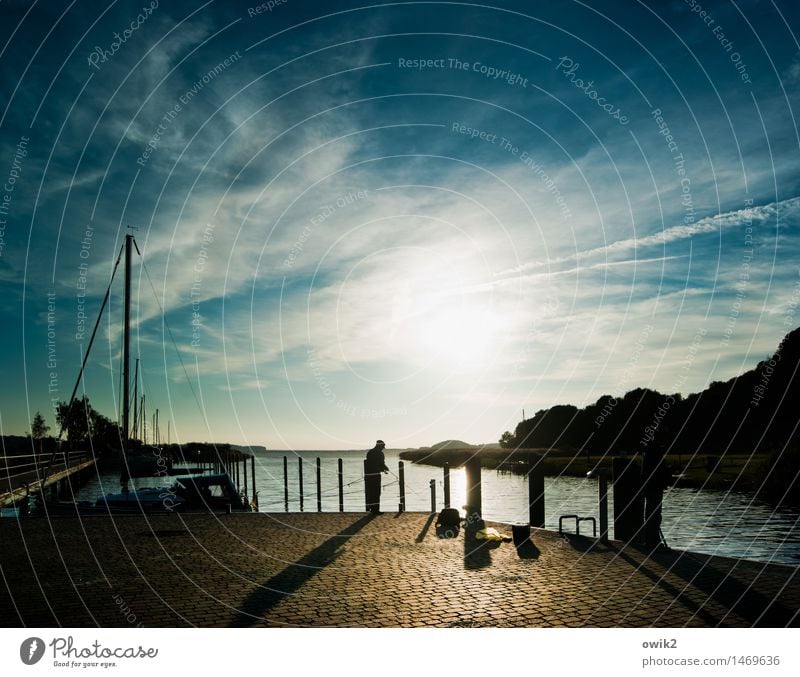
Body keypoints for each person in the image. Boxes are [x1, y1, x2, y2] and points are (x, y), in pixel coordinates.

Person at [364, 440, 389, 514]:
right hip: (376, 475)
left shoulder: (370, 452)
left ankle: (372, 509)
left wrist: (383, 468)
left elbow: (369, 463)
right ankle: (376, 510)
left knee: (371, 492)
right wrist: (385, 468)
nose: (384, 448)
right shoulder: (380, 453)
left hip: (369, 475)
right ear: (380, 445)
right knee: (376, 492)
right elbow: (381, 464)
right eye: (383, 446)